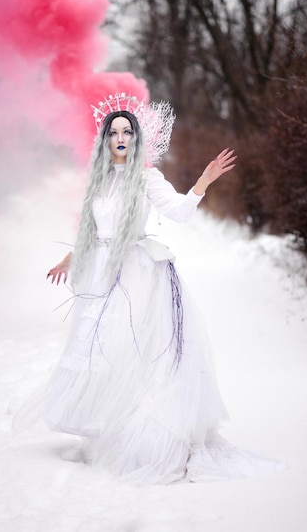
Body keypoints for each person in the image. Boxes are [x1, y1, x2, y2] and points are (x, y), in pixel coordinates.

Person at [42, 93, 281, 484]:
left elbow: (179, 212)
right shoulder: (99, 181)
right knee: (100, 351)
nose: (120, 137)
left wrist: (204, 180)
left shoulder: (146, 178)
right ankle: (105, 428)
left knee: (131, 352)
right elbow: (92, 228)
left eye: (127, 132)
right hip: (99, 275)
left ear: (136, 139)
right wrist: (70, 259)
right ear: (105, 140)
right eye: (113, 132)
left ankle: (138, 435)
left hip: (134, 274)